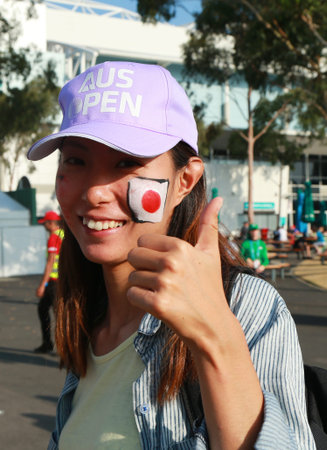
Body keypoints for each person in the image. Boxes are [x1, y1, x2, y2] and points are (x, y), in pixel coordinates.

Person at [27, 61, 315, 449]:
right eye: (76, 161)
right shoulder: (85, 314)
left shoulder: (246, 306)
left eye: (127, 162)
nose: (95, 192)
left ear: (184, 181)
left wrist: (215, 337)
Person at [35, 210, 64, 353]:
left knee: (51, 312)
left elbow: (50, 262)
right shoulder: (64, 235)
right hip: (63, 280)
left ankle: (54, 345)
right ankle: (61, 347)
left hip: (54, 281)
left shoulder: (53, 237)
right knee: (57, 313)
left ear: (51, 223)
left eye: (45, 223)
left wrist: (42, 285)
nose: (44, 226)